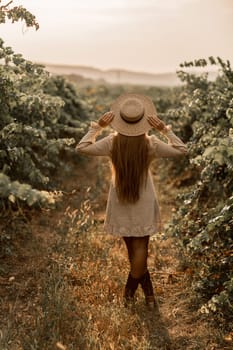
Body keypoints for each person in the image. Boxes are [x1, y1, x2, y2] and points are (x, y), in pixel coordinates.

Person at [76, 93, 187, 310]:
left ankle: (133, 295)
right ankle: (145, 296)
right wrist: (165, 130)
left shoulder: (111, 142)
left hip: (120, 200)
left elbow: (81, 147)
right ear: (143, 120)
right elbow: (182, 150)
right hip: (144, 200)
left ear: (120, 120)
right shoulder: (151, 143)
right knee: (141, 249)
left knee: (133, 251)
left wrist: (97, 127)